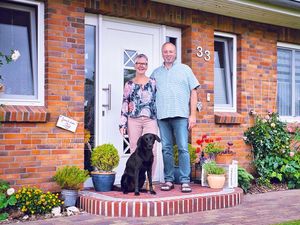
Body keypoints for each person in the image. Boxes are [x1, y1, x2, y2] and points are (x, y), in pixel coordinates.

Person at [151, 42, 199, 193]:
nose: (168, 54)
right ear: (162, 53)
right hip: (163, 116)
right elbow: (150, 95)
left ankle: (185, 181)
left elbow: (194, 92)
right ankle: (169, 180)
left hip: (181, 115)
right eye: (165, 51)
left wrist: (193, 115)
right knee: (166, 149)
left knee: (183, 148)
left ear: (175, 53)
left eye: (171, 51)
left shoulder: (185, 70)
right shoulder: (156, 73)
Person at [119, 54, 158, 173]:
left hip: (149, 119)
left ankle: (149, 181)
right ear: (134, 65)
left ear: (147, 66)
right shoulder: (129, 84)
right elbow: (125, 102)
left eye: (144, 64)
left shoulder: (153, 82)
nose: (141, 66)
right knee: (135, 150)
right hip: (133, 120)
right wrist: (122, 124)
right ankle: (138, 179)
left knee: (152, 150)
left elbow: (158, 101)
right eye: (139, 63)